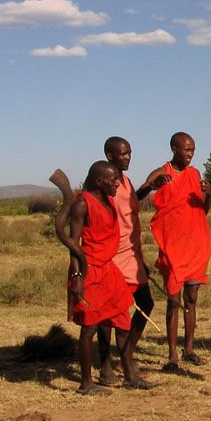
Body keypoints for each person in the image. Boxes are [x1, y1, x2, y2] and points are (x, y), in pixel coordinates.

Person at [67, 161, 140, 394]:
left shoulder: (108, 200)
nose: (118, 182)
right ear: (99, 181)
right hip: (90, 271)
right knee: (89, 328)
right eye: (112, 179)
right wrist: (77, 277)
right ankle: (86, 383)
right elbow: (73, 244)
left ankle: (129, 374)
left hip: (108, 270)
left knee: (123, 320)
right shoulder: (82, 204)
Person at [145, 132, 211, 370]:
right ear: (174, 149)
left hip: (195, 244)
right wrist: (153, 184)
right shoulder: (162, 173)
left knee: (191, 299)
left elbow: (203, 209)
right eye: (186, 150)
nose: (190, 154)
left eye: (193, 150)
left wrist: (209, 194)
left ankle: (189, 349)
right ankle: (172, 355)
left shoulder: (194, 174)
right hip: (172, 247)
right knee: (174, 300)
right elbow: (138, 195)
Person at [96, 136, 156, 387]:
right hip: (113, 255)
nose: (128, 157)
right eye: (123, 154)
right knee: (109, 314)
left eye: (130, 153)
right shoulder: (106, 184)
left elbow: (130, 207)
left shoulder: (126, 180)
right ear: (110, 156)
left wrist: (147, 187)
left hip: (132, 253)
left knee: (146, 303)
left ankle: (126, 357)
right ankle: (105, 366)